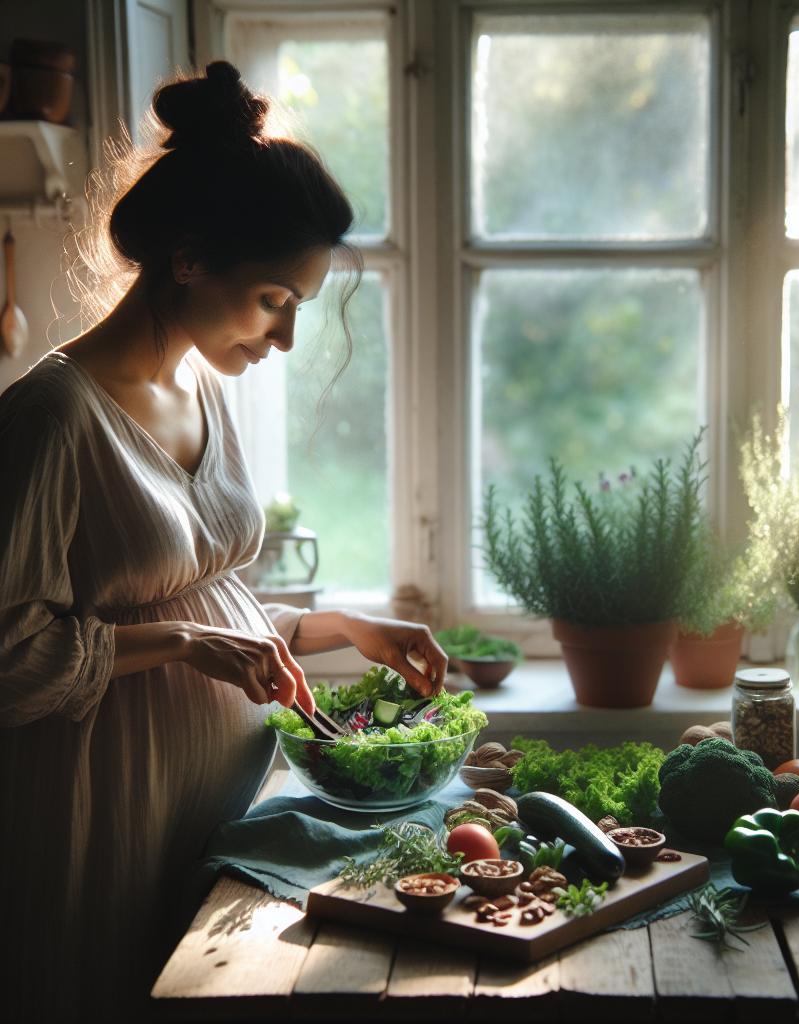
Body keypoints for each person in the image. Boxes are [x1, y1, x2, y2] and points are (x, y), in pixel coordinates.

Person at [0, 61, 447, 1021]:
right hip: (107, 818)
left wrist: (344, 626)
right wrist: (186, 647)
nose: (284, 340)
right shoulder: (49, 418)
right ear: (190, 259)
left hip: (219, 816)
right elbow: (10, 657)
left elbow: (194, 600)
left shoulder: (205, 388)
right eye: (274, 299)